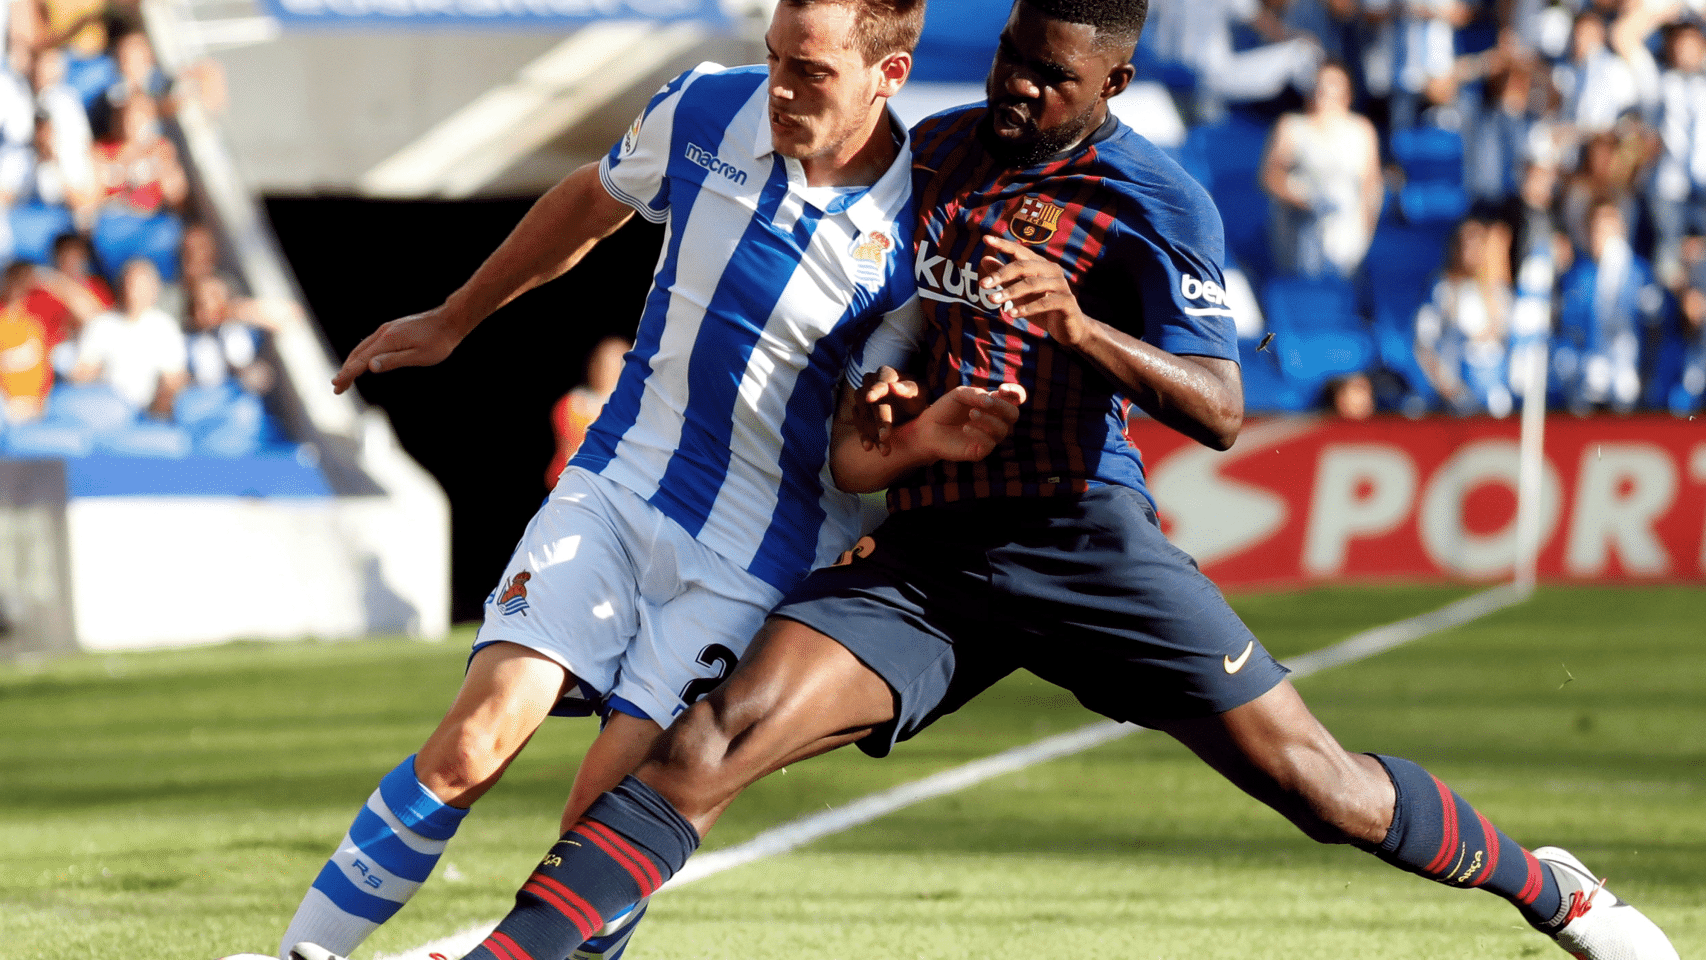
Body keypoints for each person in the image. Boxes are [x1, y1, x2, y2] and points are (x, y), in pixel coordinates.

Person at [448, 3, 1680, 960]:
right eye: (1011, 61)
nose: (1018, 91)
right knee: (707, 744)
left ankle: (1550, 887)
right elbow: (888, 312)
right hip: (933, 546)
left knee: (1321, 790)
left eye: (1050, 78)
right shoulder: (933, 153)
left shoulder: (1153, 198)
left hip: (1080, 536)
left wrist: (1081, 329)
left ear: (1115, 86)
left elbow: (1221, 411)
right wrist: (889, 399)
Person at [272, 4, 1025, 960]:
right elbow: (593, 200)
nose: (781, 89)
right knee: (471, 742)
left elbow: (855, 451)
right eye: (774, 59)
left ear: (891, 72)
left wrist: (909, 427)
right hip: (619, 482)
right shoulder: (706, 108)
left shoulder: (924, 226)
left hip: (757, 560)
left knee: (600, 824)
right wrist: (455, 318)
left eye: (812, 72)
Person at [1260, 58, 1382, 279]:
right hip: (1299, 228)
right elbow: (1270, 176)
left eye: (1334, 86)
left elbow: (1371, 185)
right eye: (1320, 85)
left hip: (1348, 233)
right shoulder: (1291, 126)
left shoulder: (1363, 130)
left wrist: (1365, 233)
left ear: (1347, 93)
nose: (1324, 93)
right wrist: (1304, 200)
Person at [70, 255, 186, 418]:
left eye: (141, 286)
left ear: (154, 289)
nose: (133, 292)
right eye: (130, 284)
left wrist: (163, 401)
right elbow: (81, 373)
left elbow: (174, 378)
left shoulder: (165, 327)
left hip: (150, 411)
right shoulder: (101, 325)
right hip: (105, 409)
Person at [545, 335, 629, 490]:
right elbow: (568, 455)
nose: (607, 371)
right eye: (603, 364)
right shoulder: (571, 405)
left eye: (616, 366)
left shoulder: (634, 410)